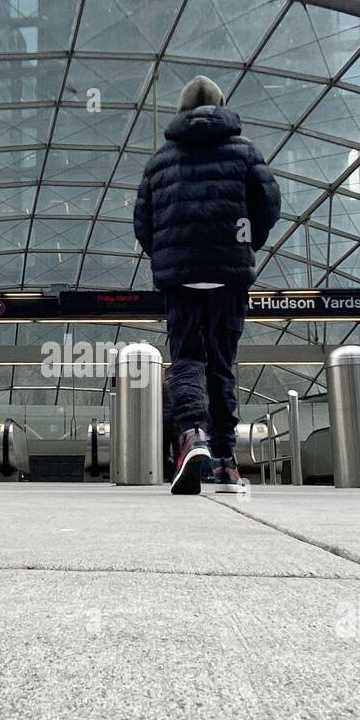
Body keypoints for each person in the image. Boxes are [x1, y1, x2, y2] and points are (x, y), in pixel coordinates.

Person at [134, 75, 281, 495]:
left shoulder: (160, 161)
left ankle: (191, 436)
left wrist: (165, 254)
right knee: (220, 362)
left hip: (180, 277)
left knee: (186, 358)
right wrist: (245, 242)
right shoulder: (245, 152)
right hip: (228, 273)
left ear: (179, 111)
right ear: (222, 105)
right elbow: (268, 205)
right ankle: (227, 463)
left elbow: (143, 222)